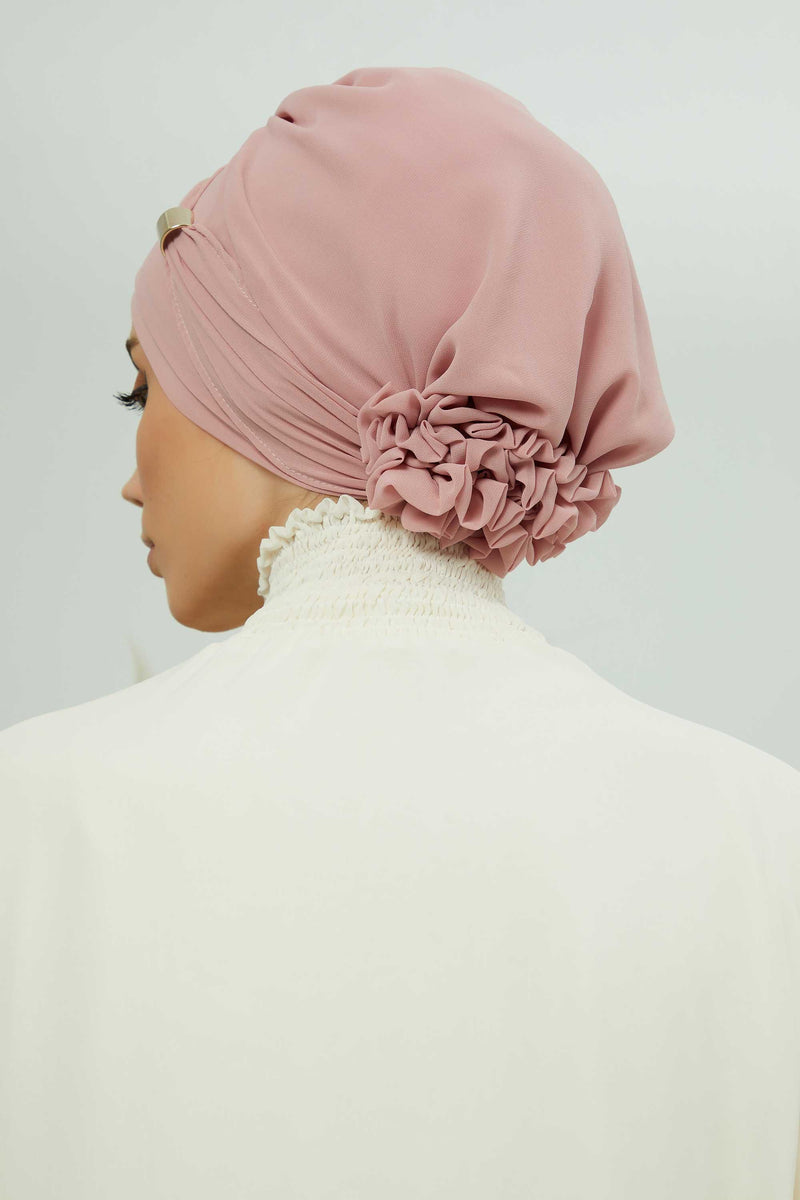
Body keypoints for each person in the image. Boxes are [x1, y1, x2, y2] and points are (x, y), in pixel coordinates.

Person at [1, 66, 799, 1200]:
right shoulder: (763, 840)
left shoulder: (34, 818)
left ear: (268, 380)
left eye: (145, 390)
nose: (132, 478)